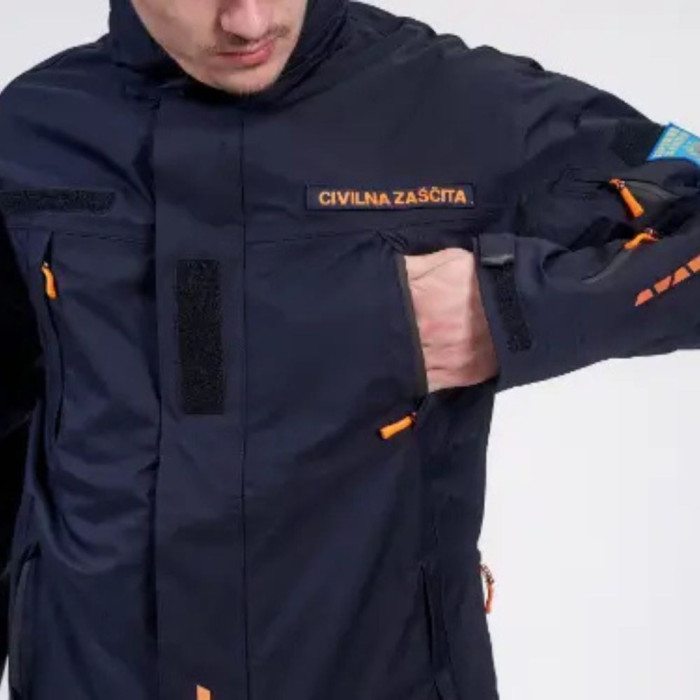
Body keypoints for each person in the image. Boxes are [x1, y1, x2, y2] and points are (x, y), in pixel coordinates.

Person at [1, 1, 698, 698]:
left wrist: (512, 310)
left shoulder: (457, 106)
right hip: (87, 672)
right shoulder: (33, 129)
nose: (248, 22)